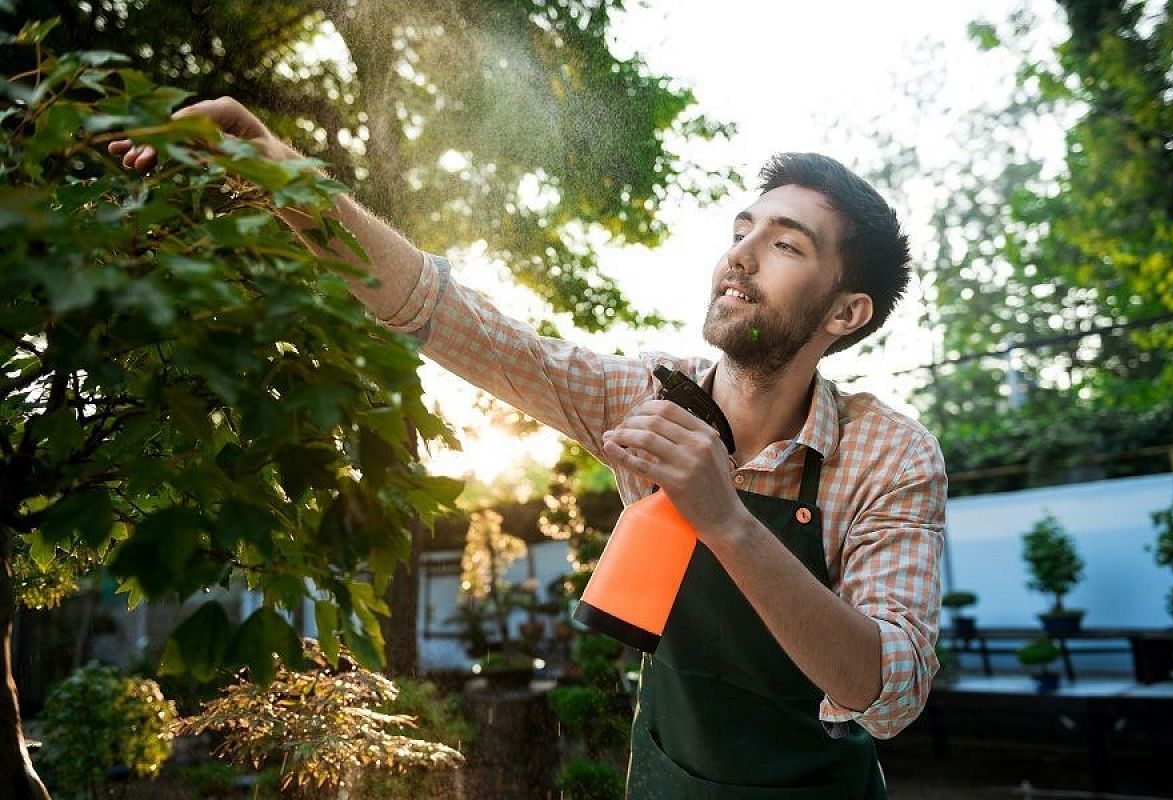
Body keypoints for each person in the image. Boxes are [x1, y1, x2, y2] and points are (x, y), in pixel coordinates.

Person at [111, 97, 946, 798]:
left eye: (786, 245)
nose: (740, 253)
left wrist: (725, 520)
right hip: (665, 781)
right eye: (742, 227)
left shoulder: (891, 457)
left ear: (845, 314)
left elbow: (890, 690)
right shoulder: (644, 397)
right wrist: (279, 169)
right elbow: (438, 311)